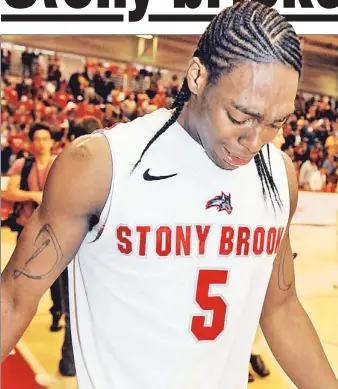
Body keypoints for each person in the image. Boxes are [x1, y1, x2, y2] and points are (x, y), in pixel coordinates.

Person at [2, 2, 338, 389]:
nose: (254, 140)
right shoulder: (103, 165)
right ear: (197, 76)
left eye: (275, 122)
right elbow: (13, 297)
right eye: (240, 116)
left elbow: (281, 309)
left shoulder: (277, 177)